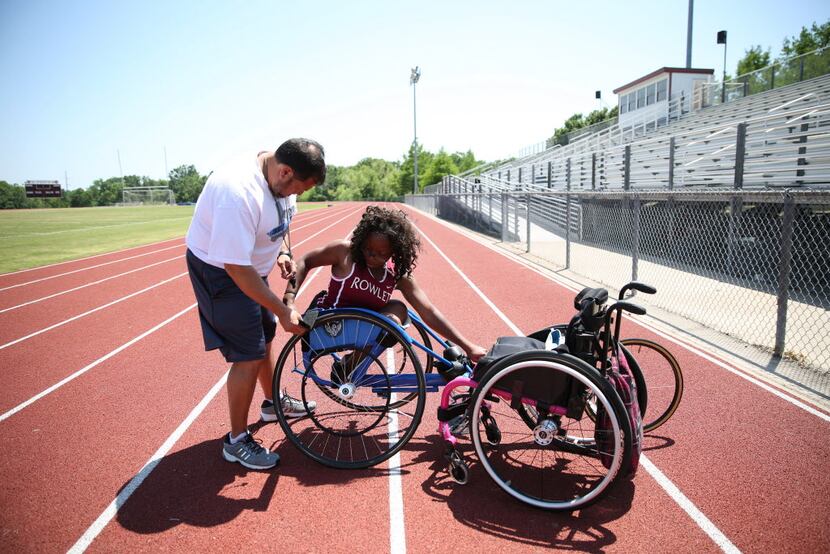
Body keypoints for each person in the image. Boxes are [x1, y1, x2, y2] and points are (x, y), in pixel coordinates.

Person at [185, 138, 326, 471]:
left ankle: (272, 404)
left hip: (252, 268)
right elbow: (235, 267)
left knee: (266, 336)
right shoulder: (235, 193)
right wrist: (282, 308)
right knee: (248, 354)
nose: (298, 196)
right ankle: (236, 441)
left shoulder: (282, 181)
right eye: (299, 188)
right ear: (285, 170)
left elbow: (284, 220)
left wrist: (284, 252)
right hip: (221, 270)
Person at [282, 206, 487, 372]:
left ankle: (349, 364)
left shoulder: (397, 274)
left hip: (361, 331)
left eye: (381, 254)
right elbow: (305, 260)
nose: (372, 257)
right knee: (387, 320)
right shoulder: (345, 253)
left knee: (398, 310)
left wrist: (468, 346)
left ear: (394, 253)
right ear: (361, 241)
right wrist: (289, 301)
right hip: (325, 323)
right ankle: (348, 364)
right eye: (368, 250)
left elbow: (428, 311)